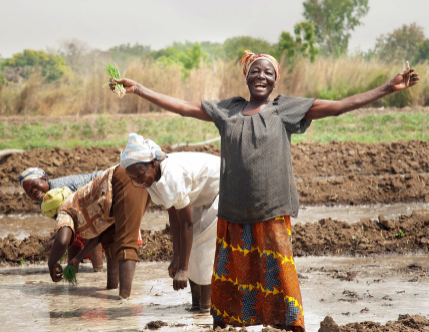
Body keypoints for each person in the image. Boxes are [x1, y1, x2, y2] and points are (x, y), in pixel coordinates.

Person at [109, 51, 419, 331]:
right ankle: (228, 326)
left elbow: (337, 107)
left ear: (275, 80)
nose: (261, 76)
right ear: (246, 75)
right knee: (231, 283)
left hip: (271, 212)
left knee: (279, 280)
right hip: (232, 214)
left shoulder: (284, 108)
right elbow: (185, 108)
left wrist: (388, 88)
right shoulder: (228, 110)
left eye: (268, 72)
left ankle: (286, 327)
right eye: (256, 71)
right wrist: (140, 89)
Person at [120, 133, 220, 313]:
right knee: (192, 243)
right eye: (133, 178)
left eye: (140, 175)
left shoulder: (171, 176)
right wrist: (177, 257)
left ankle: (206, 307)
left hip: (225, 188)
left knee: (201, 245)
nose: (138, 182)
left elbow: (187, 224)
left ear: (152, 164)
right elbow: (174, 219)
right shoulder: (151, 181)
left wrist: (183, 268)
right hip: (201, 197)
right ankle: (196, 305)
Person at [45, 165, 150, 298]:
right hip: (120, 192)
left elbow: (62, 241)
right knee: (110, 242)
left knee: (126, 244)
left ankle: (124, 304)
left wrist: (52, 263)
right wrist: (78, 258)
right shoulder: (79, 210)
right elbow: (98, 236)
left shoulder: (64, 209)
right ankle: (113, 291)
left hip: (120, 180)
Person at [18, 168, 104, 271]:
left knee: (89, 230)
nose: (34, 191)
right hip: (87, 210)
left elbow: (79, 217)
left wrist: (56, 239)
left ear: (45, 180)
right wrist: (56, 237)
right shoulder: (44, 203)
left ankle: (98, 272)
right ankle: (73, 272)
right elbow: (67, 222)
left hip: (103, 189)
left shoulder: (58, 192)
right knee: (74, 236)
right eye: (29, 191)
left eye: (34, 186)